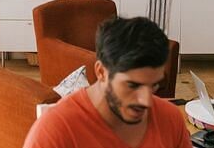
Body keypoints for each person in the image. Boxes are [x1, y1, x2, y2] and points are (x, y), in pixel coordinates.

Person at [23, 16, 190, 148]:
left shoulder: (171, 119)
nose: (146, 101)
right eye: (132, 85)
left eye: (153, 85)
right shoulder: (55, 131)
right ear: (101, 72)